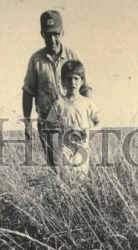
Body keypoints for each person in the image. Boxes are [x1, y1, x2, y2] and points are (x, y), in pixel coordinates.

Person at [22, 10, 90, 167]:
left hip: (73, 122)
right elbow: (28, 91)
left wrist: (86, 117)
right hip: (48, 123)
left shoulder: (73, 56)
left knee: (78, 166)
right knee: (56, 168)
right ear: (41, 34)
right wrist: (27, 123)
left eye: (56, 34)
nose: (52, 39)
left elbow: (86, 88)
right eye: (48, 35)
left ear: (62, 32)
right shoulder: (36, 60)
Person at [46, 60, 99, 177]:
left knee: (81, 178)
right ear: (63, 82)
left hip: (82, 147)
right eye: (68, 79)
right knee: (66, 179)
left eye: (76, 78)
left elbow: (99, 123)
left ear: (82, 81)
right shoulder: (58, 104)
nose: (72, 82)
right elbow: (48, 126)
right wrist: (54, 129)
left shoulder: (88, 103)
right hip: (64, 148)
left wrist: (89, 132)